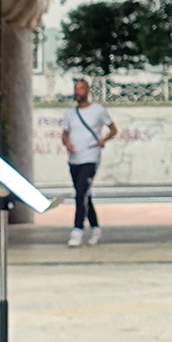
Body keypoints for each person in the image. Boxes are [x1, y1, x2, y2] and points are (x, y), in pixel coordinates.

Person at [61, 78, 116, 247]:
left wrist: (103, 140)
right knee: (84, 195)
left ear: (88, 91)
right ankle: (95, 228)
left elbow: (113, 129)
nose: (78, 92)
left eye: (81, 89)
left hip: (90, 157)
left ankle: (77, 231)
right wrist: (67, 144)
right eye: (76, 89)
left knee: (80, 194)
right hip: (74, 159)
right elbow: (64, 134)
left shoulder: (98, 110)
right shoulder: (70, 113)